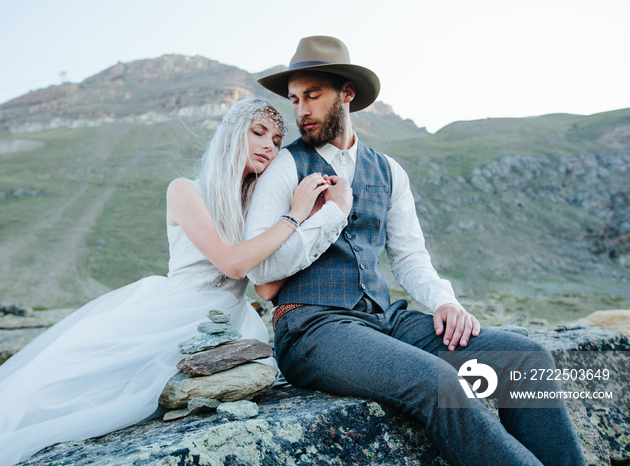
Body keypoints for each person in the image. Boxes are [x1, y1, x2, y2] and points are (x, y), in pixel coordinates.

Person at [0, 98, 334, 466]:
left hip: (228, 324)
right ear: (231, 135)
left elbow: (264, 286)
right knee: (55, 398)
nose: (270, 145)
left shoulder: (258, 207)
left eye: (278, 139)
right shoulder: (186, 191)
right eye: (258, 132)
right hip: (174, 311)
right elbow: (231, 263)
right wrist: (295, 216)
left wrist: (315, 217)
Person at [247, 36, 585, 465]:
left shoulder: (389, 171)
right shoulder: (285, 165)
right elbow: (261, 271)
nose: (301, 111)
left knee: (524, 358)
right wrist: (325, 217)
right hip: (312, 327)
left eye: (312, 96)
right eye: (294, 99)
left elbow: (409, 257)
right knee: (439, 381)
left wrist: (444, 301)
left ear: (346, 94)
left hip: (384, 320)